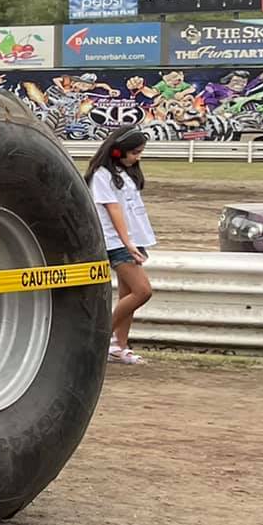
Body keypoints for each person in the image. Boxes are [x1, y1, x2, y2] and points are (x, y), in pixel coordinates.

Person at [87, 128, 154, 366]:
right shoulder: (102, 175)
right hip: (117, 242)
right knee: (142, 291)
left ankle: (118, 347)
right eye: (135, 152)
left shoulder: (124, 173)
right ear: (118, 151)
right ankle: (97, 337)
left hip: (135, 239)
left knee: (129, 296)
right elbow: (113, 211)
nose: (138, 157)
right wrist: (128, 243)